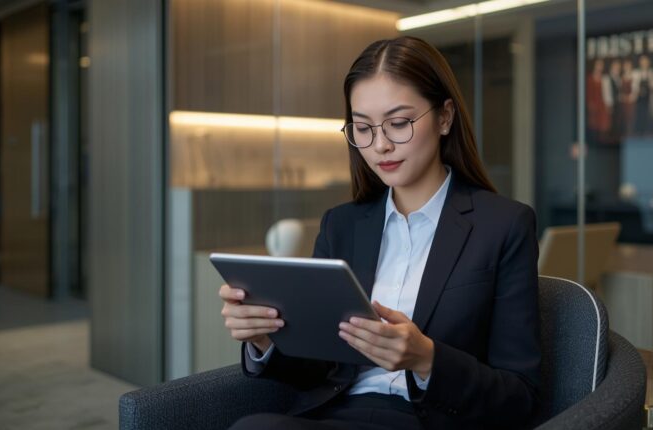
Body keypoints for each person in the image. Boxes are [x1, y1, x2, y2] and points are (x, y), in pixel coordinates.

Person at [219, 36, 541, 429]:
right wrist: (265, 340)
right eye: (363, 128)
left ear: (444, 117)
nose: (381, 146)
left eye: (399, 123)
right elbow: (318, 368)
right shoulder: (341, 225)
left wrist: (427, 359)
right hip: (339, 416)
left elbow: (521, 396)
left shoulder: (503, 225)